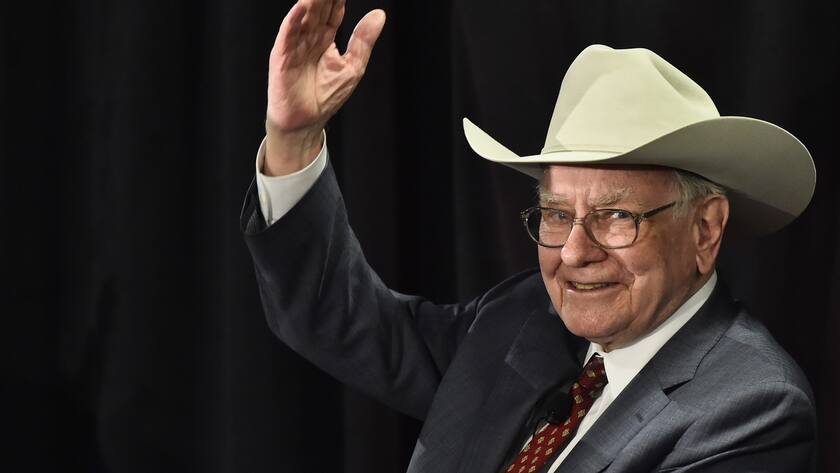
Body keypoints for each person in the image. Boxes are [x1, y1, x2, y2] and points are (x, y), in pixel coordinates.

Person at [241, 0, 818, 471]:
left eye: (617, 216)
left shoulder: (753, 409)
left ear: (705, 228)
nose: (574, 252)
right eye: (558, 215)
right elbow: (340, 321)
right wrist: (293, 139)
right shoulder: (521, 317)